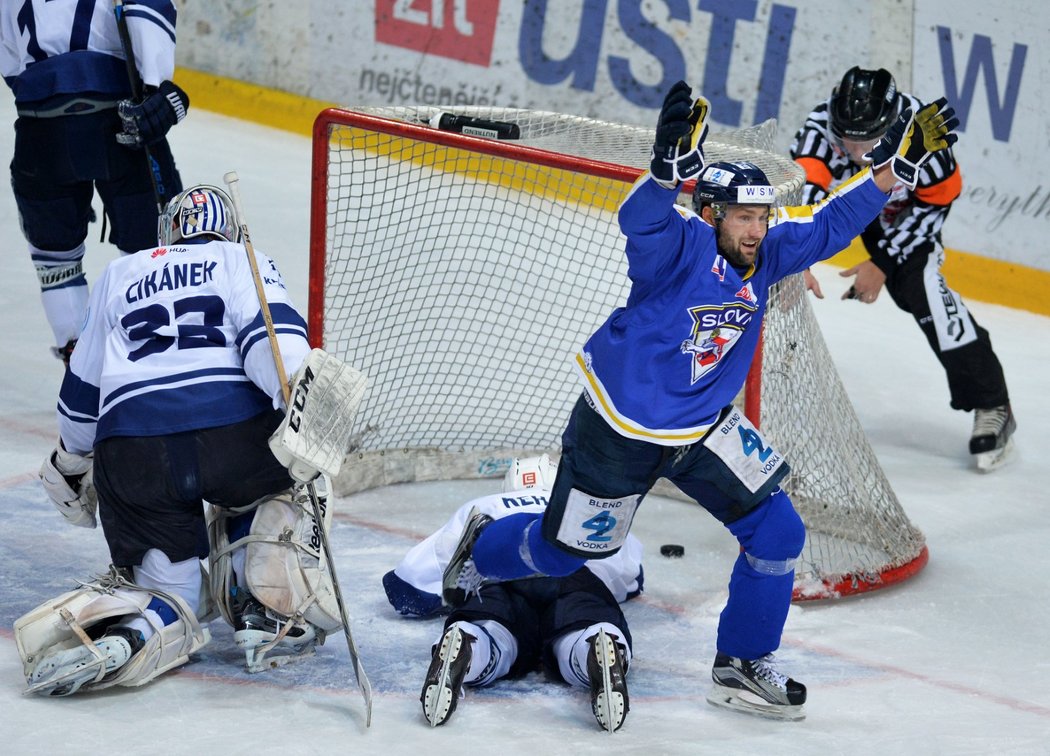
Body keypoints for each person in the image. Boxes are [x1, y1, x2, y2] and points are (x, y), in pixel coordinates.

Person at [442, 80, 959, 722]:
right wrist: (663, 176)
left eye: (762, 216)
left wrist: (892, 174)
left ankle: (741, 664)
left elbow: (827, 226)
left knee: (778, 531)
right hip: (619, 433)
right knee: (562, 553)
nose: (756, 229)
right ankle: (484, 552)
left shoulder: (765, 255)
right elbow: (639, 218)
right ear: (711, 214)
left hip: (703, 431)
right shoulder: (675, 248)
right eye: (743, 217)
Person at [15, 184, 345, 696]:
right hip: (233, 442)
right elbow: (276, 352)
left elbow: (80, 399)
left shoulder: (120, 272)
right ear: (228, 231)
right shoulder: (240, 257)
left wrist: (71, 458)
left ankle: (134, 631)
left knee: (171, 592)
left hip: (134, 454)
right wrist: (303, 414)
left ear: (167, 234)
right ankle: (263, 605)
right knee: (283, 482)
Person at [790, 66, 1015, 471]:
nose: (858, 152)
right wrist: (799, 257)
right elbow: (806, 196)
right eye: (849, 140)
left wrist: (883, 262)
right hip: (851, 205)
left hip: (902, 215)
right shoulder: (819, 128)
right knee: (773, 271)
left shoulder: (926, 135)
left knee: (922, 290)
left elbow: (936, 204)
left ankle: (992, 402)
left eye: (869, 141)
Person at [384, 455, 642, 732]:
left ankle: (471, 643)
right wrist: (602, 598)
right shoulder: (583, 509)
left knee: (495, 634)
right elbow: (629, 576)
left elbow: (412, 583)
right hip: (574, 576)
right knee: (581, 625)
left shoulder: (483, 507)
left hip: (499, 574)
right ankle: (592, 642)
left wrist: (429, 601)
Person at [1, 0, 189, 363]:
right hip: (115, 120)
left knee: (55, 259)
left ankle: (80, 366)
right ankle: (155, 365)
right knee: (156, 249)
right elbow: (146, 10)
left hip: (38, 128)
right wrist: (156, 89)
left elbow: (11, 61)